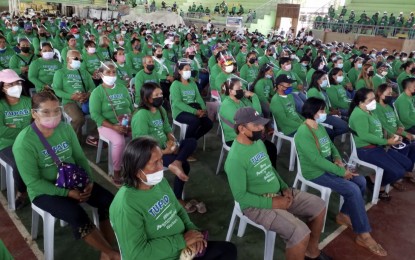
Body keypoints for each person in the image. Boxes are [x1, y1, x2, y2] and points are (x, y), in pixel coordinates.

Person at [12, 91, 120, 260]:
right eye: (46, 112)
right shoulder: (24, 142)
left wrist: (89, 181)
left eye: (56, 110)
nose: (53, 115)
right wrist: (67, 193)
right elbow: (33, 182)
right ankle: (112, 254)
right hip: (45, 191)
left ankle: (106, 251)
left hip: (73, 179)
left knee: (108, 202)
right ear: (34, 113)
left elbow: (79, 158)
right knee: (77, 215)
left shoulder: (64, 129)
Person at [224, 107, 331, 260]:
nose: (262, 128)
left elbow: (270, 169)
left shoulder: (258, 143)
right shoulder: (235, 159)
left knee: (319, 206)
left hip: (279, 193)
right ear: (242, 129)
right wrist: (273, 202)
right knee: (300, 232)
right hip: (255, 204)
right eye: (256, 126)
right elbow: (240, 196)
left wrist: (284, 187)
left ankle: (311, 251)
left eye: (261, 124)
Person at [110, 137, 237, 259]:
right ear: (137, 171)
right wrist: (182, 241)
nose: (162, 167)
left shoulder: (159, 183)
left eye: (161, 159)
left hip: (185, 247)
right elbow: (137, 254)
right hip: (168, 255)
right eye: (155, 163)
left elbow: (179, 210)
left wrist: (193, 231)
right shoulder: (126, 205)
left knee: (228, 250)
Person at [295, 97, 387, 257]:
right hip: (315, 172)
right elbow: (315, 160)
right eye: (322, 111)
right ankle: (363, 234)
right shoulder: (303, 132)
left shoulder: (319, 127)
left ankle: (344, 214)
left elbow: (331, 147)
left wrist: (338, 159)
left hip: (329, 166)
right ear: (313, 112)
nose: (324, 113)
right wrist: (341, 172)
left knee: (360, 181)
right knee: (352, 188)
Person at [131, 82, 202, 212]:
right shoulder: (141, 115)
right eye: (156, 95)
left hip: (166, 147)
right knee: (185, 166)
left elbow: (167, 129)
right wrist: (164, 151)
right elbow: (142, 143)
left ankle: (177, 162)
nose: (160, 97)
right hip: (150, 152)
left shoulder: (161, 110)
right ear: (147, 98)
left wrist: (172, 141)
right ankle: (178, 196)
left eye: (161, 94)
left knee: (191, 142)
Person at [348, 88, 413, 197]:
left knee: (407, 163)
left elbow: (381, 127)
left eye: (374, 99)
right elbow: (365, 136)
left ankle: (378, 178)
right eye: (370, 100)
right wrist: (387, 141)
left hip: (378, 146)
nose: (374, 102)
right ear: (361, 102)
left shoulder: (370, 112)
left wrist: (393, 136)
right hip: (366, 149)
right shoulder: (359, 115)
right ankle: (376, 185)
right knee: (398, 172)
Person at [89, 61, 134, 185]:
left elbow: (130, 107)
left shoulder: (122, 88)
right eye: (108, 72)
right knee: (119, 142)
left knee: (141, 134)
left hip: (126, 121)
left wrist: (130, 123)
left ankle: (136, 164)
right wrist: (114, 126)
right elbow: (95, 115)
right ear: (101, 74)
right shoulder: (97, 92)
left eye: (114, 72)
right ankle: (117, 172)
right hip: (107, 125)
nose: (112, 74)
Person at [219, 78, 277, 167]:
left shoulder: (241, 101)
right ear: (231, 91)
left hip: (248, 131)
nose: (242, 90)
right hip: (235, 137)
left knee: (271, 148)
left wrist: (253, 96)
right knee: (269, 149)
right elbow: (245, 123)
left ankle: (270, 173)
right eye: (239, 88)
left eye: (242, 88)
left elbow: (256, 113)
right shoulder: (227, 105)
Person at [0, 70, 32, 209]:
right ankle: (22, 192)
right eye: (11, 84)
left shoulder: (28, 101)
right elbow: (1, 131)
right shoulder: (1, 105)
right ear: (2, 87)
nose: (16, 86)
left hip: (29, 141)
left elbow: (36, 123)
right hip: (6, 144)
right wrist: (23, 126)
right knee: (20, 163)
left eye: (18, 82)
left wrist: (13, 126)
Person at [53, 50, 96, 142]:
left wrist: (87, 94)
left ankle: (91, 136)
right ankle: (73, 141)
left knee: (101, 114)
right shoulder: (60, 73)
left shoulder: (84, 72)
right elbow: (57, 90)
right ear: (68, 59)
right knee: (78, 119)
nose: (78, 61)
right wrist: (71, 96)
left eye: (80, 60)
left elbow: (92, 87)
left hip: (85, 101)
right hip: (69, 102)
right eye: (76, 59)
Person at [170, 60, 213, 141]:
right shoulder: (175, 84)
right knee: (195, 121)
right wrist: (195, 112)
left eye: (189, 69)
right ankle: (186, 144)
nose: (189, 71)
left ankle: (191, 140)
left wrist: (203, 110)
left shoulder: (192, 83)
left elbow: (198, 97)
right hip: (180, 111)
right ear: (179, 71)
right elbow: (177, 103)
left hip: (193, 108)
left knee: (209, 124)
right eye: (186, 70)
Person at [373, 83, 415, 166]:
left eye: (391, 94)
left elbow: (397, 119)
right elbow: (384, 126)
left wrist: (401, 126)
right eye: (388, 94)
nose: (390, 96)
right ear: (380, 94)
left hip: (398, 132)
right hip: (389, 136)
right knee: (409, 146)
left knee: (413, 145)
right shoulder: (377, 108)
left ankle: (408, 169)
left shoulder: (389, 107)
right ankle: (403, 168)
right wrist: (404, 133)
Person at [306, 70, 349, 140]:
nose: (326, 80)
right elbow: (316, 109)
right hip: (319, 116)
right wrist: (332, 113)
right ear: (317, 80)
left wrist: (332, 109)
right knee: (345, 127)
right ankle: (328, 136)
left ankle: (330, 135)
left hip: (327, 112)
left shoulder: (320, 90)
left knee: (346, 121)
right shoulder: (313, 91)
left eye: (326, 78)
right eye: (324, 79)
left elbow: (325, 103)